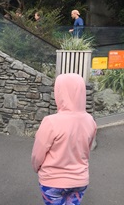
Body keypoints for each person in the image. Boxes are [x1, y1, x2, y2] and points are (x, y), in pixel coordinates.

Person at [31, 73, 97, 205]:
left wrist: (36, 167)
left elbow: (38, 155)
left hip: (52, 181)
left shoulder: (51, 122)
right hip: (80, 179)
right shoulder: (90, 121)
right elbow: (86, 151)